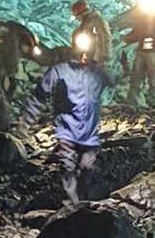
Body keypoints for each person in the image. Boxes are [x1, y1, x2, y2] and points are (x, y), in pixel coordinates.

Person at [21, 32, 117, 207]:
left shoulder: (97, 73)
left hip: (90, 133)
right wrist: (26, 122)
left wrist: (104, 69)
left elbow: (112, 85)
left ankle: (83, 205)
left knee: (87, 167)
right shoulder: (60, 70)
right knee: (68, 168)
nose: (85, 55)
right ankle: (71, 208)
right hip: (67, 130)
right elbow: (40, 96)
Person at [69, 0, 112, 64]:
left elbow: (104, 37)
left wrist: (99, 58)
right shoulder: (83, 26)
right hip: (87, 59)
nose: (77, 19)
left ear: (80, 13)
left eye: (76, 16)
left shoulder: (97, 21)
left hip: (95, 60)